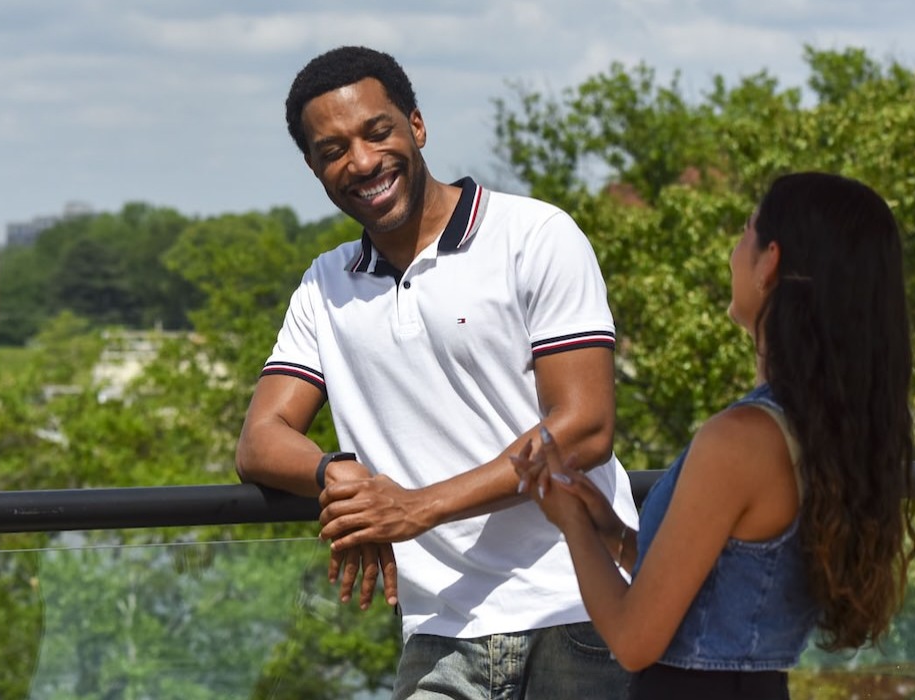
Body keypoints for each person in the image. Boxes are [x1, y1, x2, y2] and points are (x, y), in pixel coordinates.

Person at [235, 46, 636, 699]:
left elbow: (585, 429)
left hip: (581, 613)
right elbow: (260, 439)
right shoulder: (324, 286)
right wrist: (340, 475)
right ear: (313, 167)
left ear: (416, 127)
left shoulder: (534, 235)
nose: (362, 161)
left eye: (378, 131)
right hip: (440, 634)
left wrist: (415, 508)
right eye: (333, 150)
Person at [514, 172, 915, 699]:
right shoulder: (821, 428)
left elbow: (635, 640)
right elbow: (725, 586)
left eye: (745, 232)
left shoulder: (743, 439)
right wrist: (611, 533)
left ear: (770, 261)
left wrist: (567, 521)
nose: (733, 253)